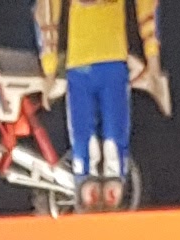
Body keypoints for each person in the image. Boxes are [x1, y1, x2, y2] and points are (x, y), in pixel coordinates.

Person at [39, 0, 165, 210]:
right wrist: (49, 69)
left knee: (112, 136)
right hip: (83, 64)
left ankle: (107, 182)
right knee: (86, 138)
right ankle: (89, 181)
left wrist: (153, 61)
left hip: (109, 62)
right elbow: (48, 12)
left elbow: (147, 7)